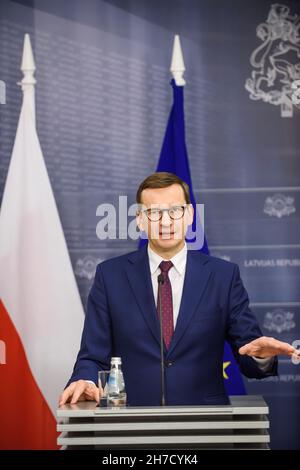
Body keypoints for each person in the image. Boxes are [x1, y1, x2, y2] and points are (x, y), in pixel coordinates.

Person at [59, 172, 297, 407]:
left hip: (205, 424)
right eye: (154, 213)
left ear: (190, 215)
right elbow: (92, 354)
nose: (165, 221)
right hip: (131, 421)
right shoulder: (110, 276)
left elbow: (249, 349)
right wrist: (85, 378)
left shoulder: (223, 276)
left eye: (175, 210)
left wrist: (261, 356)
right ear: (140, 219)